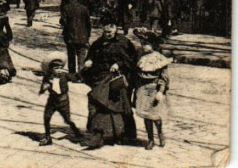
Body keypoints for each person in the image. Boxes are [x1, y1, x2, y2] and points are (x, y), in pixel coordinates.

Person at [80, 13, 138, 148]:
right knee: (97, 103)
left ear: (116, 29)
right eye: (105, 32)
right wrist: (89, 61)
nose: (108, 34)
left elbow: (131, 60)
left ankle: (125, 134)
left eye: (110, 32)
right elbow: (91, 55)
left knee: (120, 108)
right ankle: (99, 134)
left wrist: (119, 64)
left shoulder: (124, 42)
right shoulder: (98, 43)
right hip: (100, 78)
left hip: (118, 80)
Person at [132, 28, 171, 150]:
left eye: (147, 44)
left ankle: (159, 132)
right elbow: (136, 73)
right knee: (145, 115)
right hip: (142, 89)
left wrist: (161, 91)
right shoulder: (140, 56)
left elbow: (164, 77)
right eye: (142, 44)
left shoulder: (159, 58)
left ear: (153, 45)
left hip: (154, 89)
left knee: (155, 116)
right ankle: (150, 139)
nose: (144, 46)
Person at [38, 52, 82, 146]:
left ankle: (77, 133)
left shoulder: (64, 76)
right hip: (52, 101)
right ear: (50, 69)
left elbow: (75, 78)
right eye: (56, 68)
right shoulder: (47, 77)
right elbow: (41, 91)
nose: (58, 70)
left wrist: (81, 72)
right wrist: (44, 87)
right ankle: (48, 137)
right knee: (46, 118)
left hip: (63, 102)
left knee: (67, 120)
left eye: (60, 68)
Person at [60, 0, 91, 75]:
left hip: (70, 36)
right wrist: (88, 35)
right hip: (82, 36)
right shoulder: (84, 8)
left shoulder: (66, 8)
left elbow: (63, 21)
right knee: (81, 55)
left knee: (71, 55)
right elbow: (88, 23)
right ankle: (81, 74)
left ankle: (72, 73)